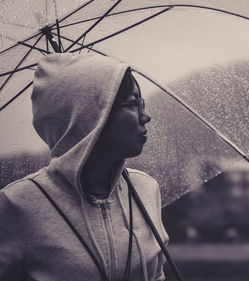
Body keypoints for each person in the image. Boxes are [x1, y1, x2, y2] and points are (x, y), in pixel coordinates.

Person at [0, 53, 168, 281]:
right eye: (131, 103)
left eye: (142, 103)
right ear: (89, 116)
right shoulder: (17, 206)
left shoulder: (145, 189)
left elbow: (157, 275)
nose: (145, 116)